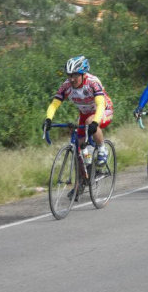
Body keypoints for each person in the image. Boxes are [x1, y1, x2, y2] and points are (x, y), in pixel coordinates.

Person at [43, 56, 114, 198]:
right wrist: (48, 119)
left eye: (75, 75)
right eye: (69, 75)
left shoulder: (92, 83)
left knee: (89, 121)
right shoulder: (66, 86)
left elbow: (100, 104)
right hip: (85, 113)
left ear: (83, 74)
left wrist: (95, 122)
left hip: (103, 110)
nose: (72, 79)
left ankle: (101, 149)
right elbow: (54, 104)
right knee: (78, 144)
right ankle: (84, 177)